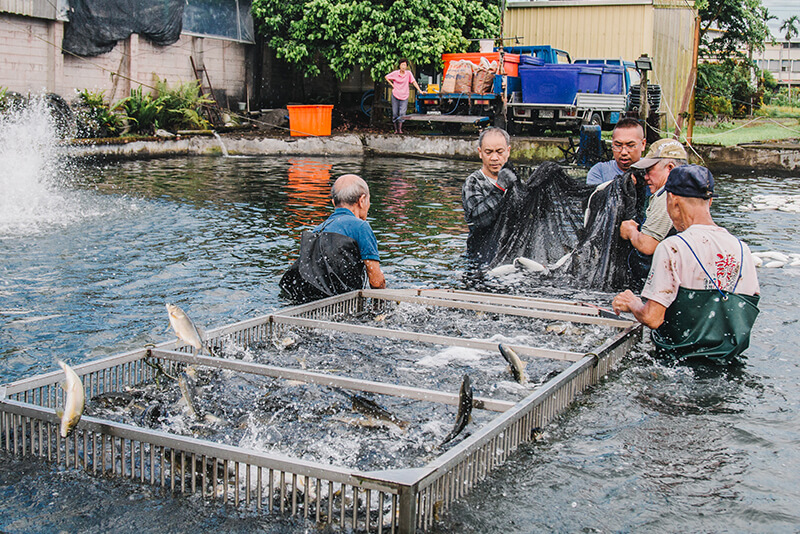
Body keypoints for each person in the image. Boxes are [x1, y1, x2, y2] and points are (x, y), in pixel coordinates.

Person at [612, 165, 760, 365]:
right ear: (710, 201)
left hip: (677, 365)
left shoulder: (673, 248)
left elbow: (653, 318)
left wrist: (632, 302)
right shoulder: (742, 250)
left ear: (673, 200)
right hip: (729, 365)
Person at [279, 174, 385, 302]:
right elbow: (376, 282)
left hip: (310, 302)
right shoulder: (360, 227)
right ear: (362, 200)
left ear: (333, 202)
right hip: (344, 305)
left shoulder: (318, 230)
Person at [619, 138, 688, 289]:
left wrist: (630, 231)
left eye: (650, 171)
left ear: (669, 168)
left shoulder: (667, 195)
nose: (645, 177)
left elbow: (647, 245)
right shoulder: (691, 188)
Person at [462, 127, 518, 261]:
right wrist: (499, 188)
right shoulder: (473, 182)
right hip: (480, 256)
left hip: (509, 255)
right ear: (480, 153)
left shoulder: (515, 181)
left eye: (499, 152)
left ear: (508, 151)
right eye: (489, 152)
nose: (494, 158)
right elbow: (479, 219)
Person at [585, 118, 646, 186]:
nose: (624, 152)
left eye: (630, 146)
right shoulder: (599, 171)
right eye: (618, 145)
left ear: (643, 144)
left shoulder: (652, 172)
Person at [385, 58, 423, 134]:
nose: (403, 67)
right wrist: (392, 85)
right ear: (399, 66)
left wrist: (420, 90)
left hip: (404, 95)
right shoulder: (395, 73)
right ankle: (395, 129)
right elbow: (386, 77)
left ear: (406, 66)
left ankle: (400, 129)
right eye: (402, 65)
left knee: (402, 113)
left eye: (405, 65)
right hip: (395, 95)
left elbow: (414, 82)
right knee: (395, 113)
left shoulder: (408, 74)